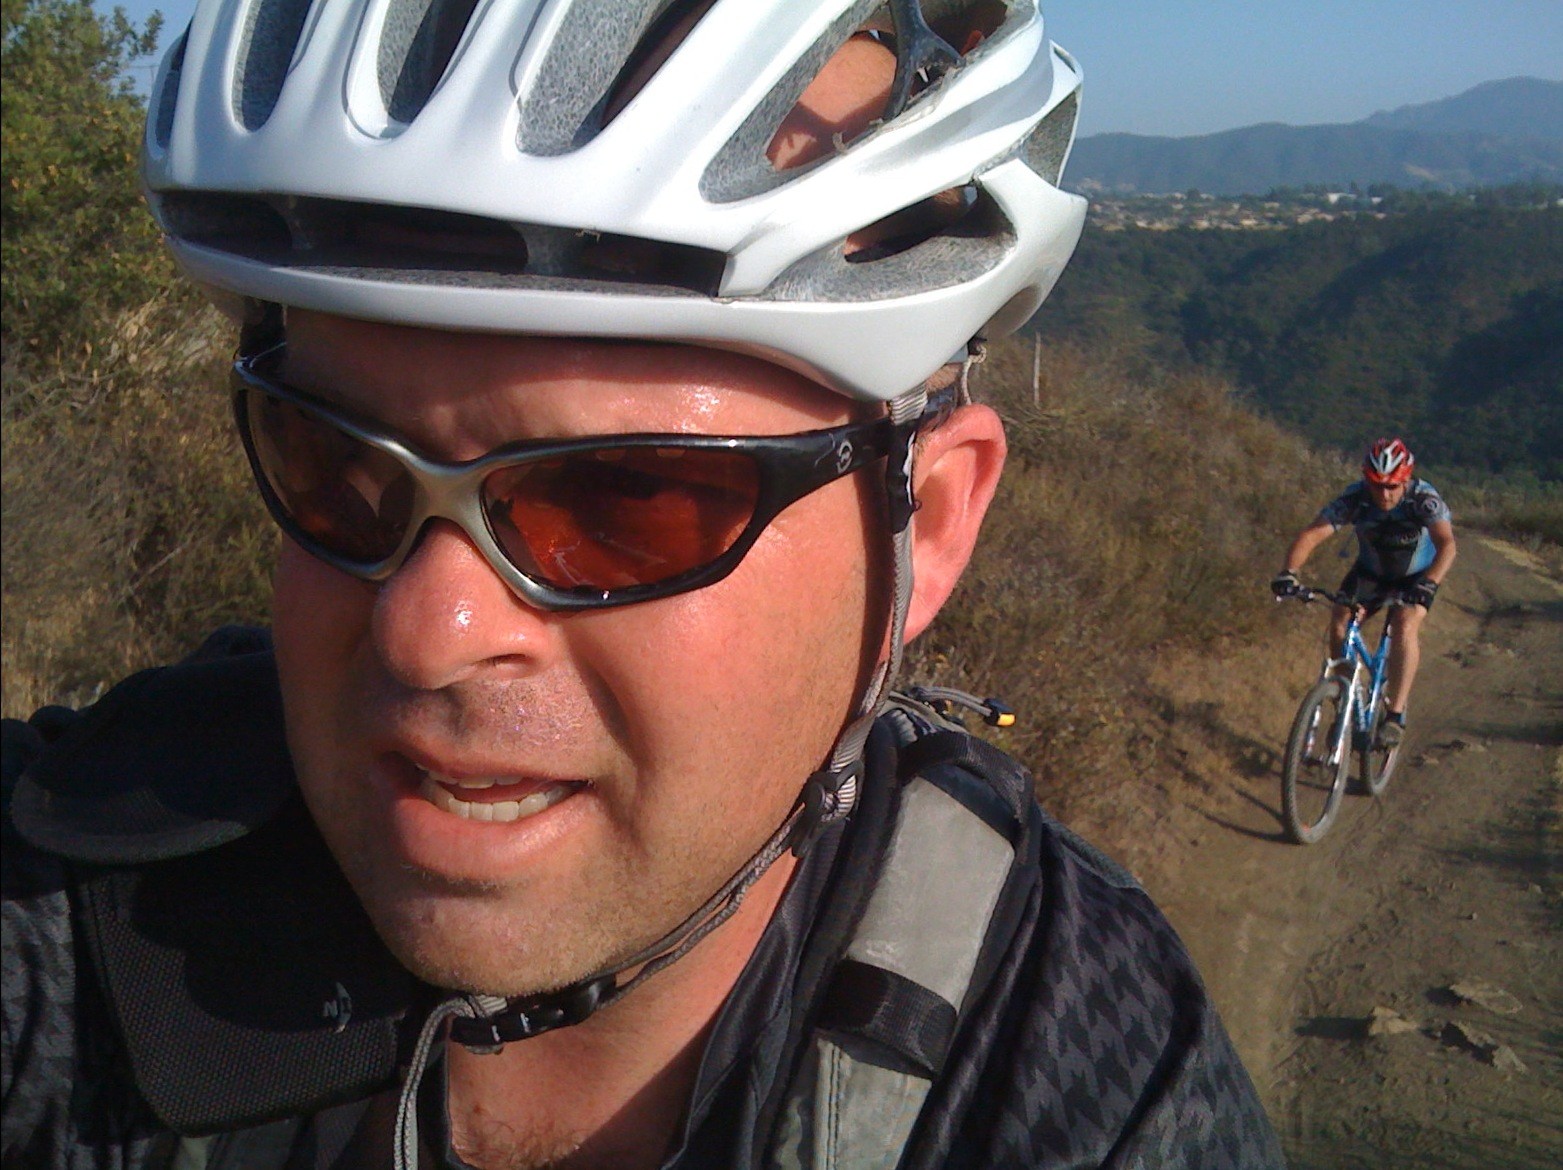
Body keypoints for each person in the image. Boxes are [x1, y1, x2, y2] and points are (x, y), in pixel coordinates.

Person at [3, 2, 1283, 1167]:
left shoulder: (1076, 1066)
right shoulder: (57, 912)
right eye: (332, 464)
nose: (427, 632)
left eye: (619, 503)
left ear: (928, 527)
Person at [1272, 437, 1458, 746]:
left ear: (1406, 480)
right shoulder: (1356, 498)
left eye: (1392, 486)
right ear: (1366, 479)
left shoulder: (1423, 500)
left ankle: (1395, 716)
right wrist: (1288, 572)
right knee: (1339, 621)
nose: (1384, 494)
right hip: (1370, 574)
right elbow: (1312, 534)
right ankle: (1343, 698)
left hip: (1415, 578)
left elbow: (1447, 545)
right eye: (1376, 485)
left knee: (1405, 624)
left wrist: (1430, 583)